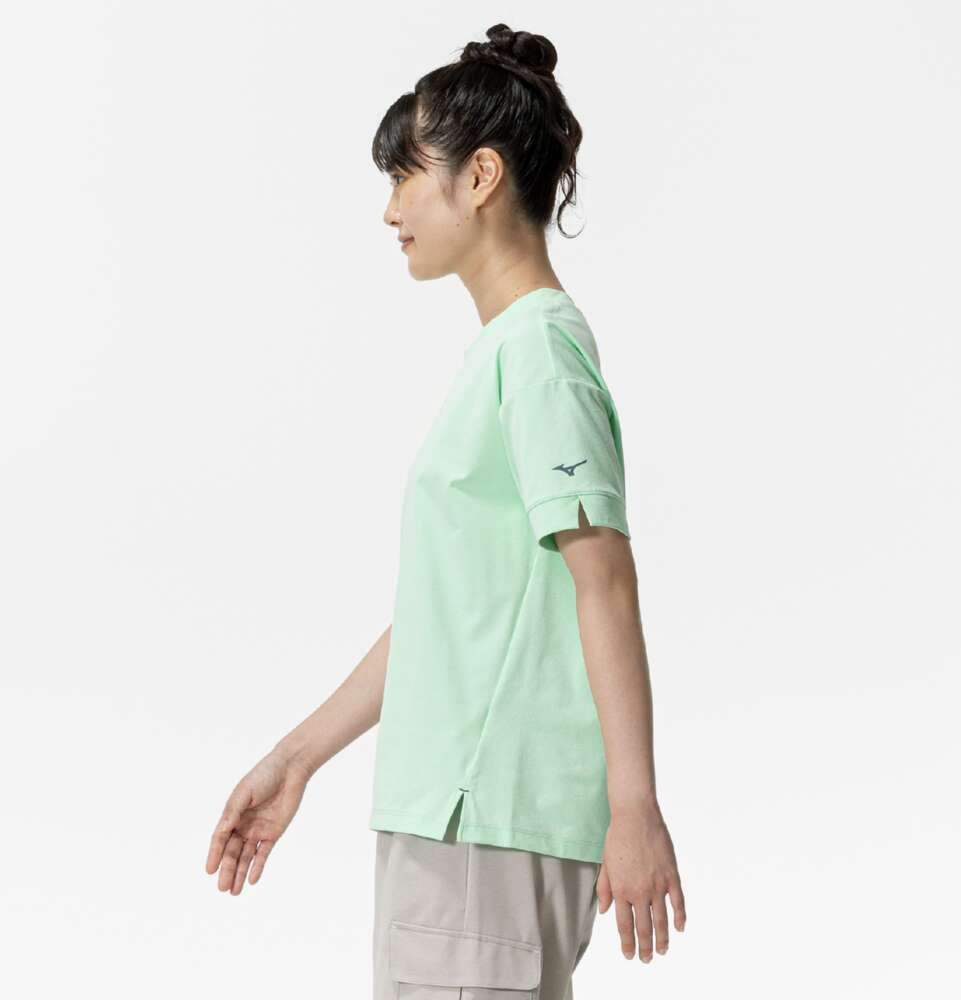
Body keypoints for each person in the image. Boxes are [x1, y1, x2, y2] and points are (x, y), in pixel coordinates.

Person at [205, 23, 687, 999]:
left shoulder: (538, 355)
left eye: (404, 176)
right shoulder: (504, 354)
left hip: (486, 827)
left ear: (480, 176)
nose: (391, 209)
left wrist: (634, 804)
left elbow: (605, 580)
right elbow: (444, 618)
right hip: (453, 825)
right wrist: (296, 759)